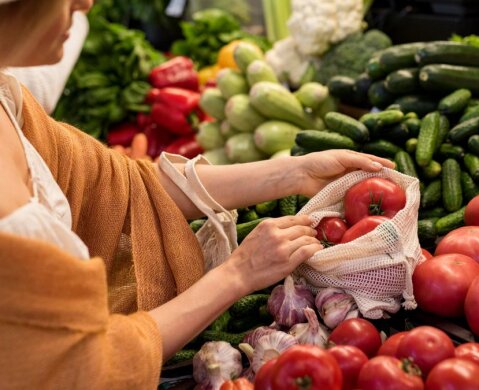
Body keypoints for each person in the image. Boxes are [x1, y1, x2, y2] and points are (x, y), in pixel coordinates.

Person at [0, 0, 394, 388]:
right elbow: (87, 367)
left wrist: (294, 172)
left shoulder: (8, 100)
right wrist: (238, 274)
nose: (85, 4)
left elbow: (127, 186)